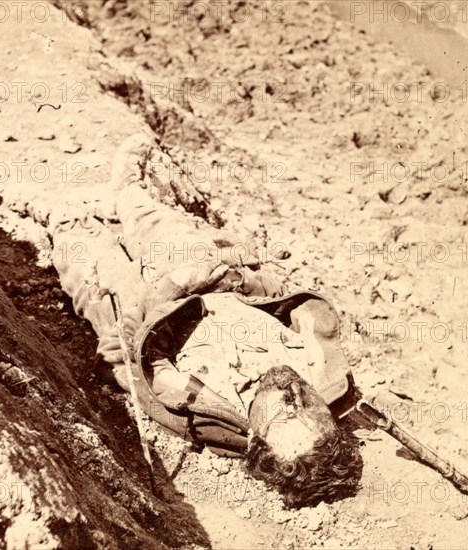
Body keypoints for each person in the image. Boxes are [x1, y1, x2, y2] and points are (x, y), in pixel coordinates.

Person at [48, 133, 362, 508]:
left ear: (256, 437)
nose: (294, 395)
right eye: (309, 409)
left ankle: (57, 216)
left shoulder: (201, 413)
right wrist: (238, 277)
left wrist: (157, 298)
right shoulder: (320, 371)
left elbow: (131, 366)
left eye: (285, 413)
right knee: (149, 218)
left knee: (76, 237)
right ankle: (127, 192)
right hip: (206, 278)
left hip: (141, 309)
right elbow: (280, 299)